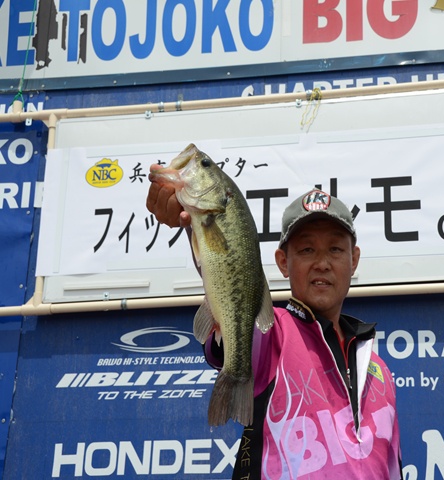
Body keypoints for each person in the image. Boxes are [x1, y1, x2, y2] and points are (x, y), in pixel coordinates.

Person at [146, 173, 402, 479]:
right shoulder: (271, 332)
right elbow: (229, 281)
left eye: (335, 249)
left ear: (354, 259)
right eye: (307, 250)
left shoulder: (379, 371)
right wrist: (196, 225)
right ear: (283, 262)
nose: (322, 262)